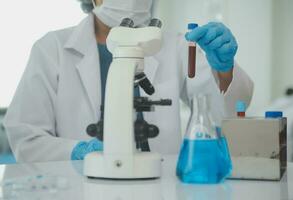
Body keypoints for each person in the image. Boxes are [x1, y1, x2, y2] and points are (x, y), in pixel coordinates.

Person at [4, 0, 253, 162]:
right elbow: (27, 138)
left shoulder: (175, 45)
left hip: (160, 185)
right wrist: (78, 153)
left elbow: (221, 112)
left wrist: (224, 70)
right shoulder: (53, 49)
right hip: (77, 187)